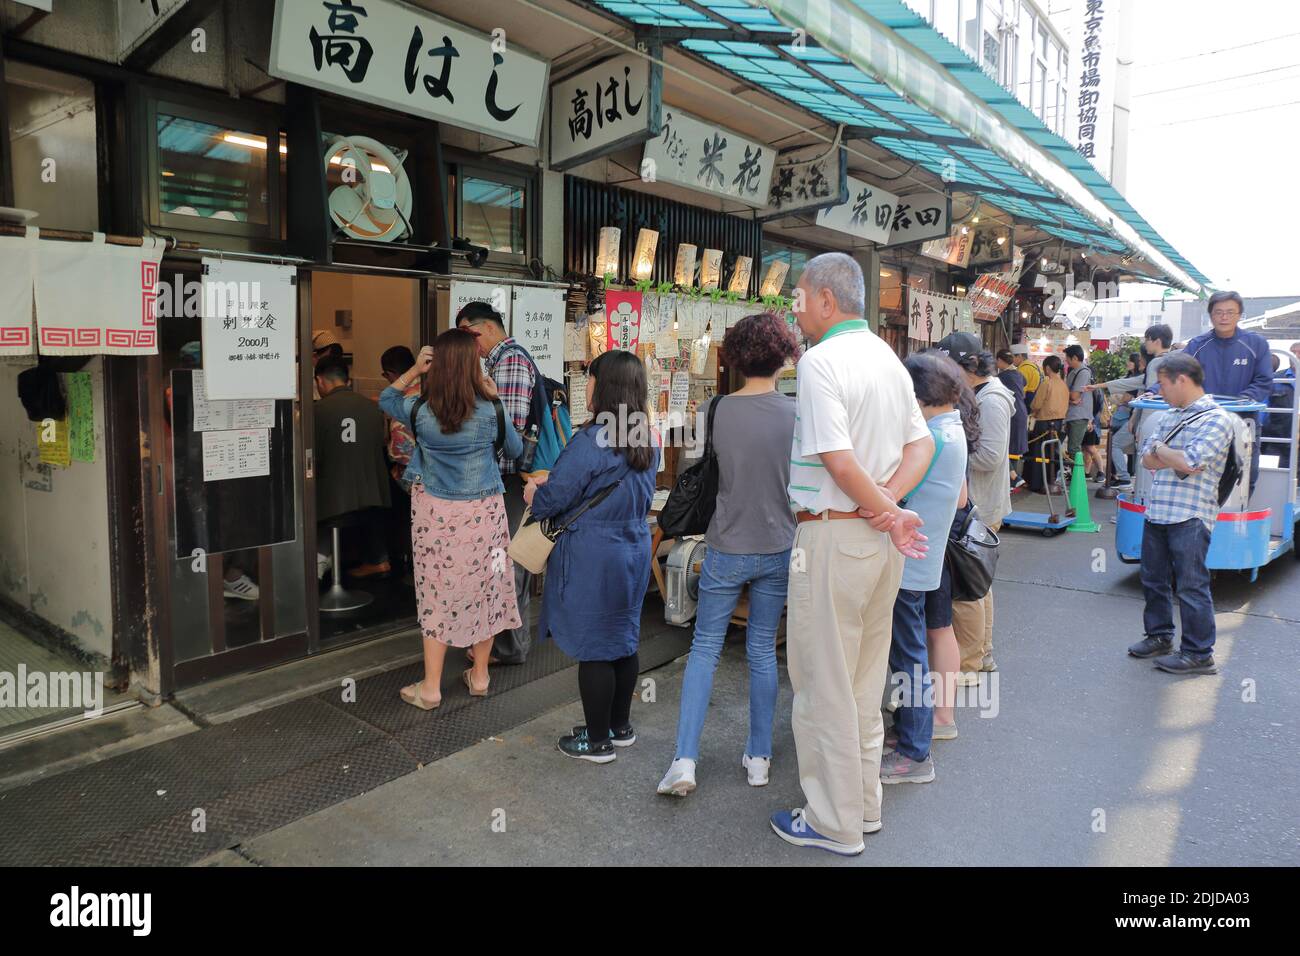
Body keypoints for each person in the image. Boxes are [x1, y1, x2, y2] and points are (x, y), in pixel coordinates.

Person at [768, 252, 932, 857]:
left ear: (826, 301)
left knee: (823, 684)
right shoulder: (886, 358)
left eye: (800, 297)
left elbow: (837, 459)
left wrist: (881, 508)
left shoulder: (820, 362)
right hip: (879, 543)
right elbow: (922, 444)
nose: (796, 307)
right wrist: (889, 505)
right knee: (863, 683)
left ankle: (832, 822)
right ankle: (862, 808)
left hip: (834, 536)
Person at [657, 312, 801, 797]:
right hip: (780, 545)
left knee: (704, 650)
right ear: (783, 357)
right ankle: (759, 758)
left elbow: (703, 473)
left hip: (725, 545)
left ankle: (684, 761)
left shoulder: (715, 411)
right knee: (762, 651)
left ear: (736, 358)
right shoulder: (797, 413)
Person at [525, 350, 659, 763]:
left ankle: (596, 741)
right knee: (622, 638)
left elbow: (556, 497)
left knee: (594, 646)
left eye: (591, 378)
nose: (587, 385)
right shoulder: (645, 436)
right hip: (634, 546)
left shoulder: (590, 439)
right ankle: (619, 727)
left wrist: (535, 493)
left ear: (606, 386)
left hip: (593, 553)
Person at [379, 331, 523, 709]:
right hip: (486, 516)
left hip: (436, 518)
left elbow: (385, 398)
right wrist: (497, 401)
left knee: (436, 593)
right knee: (488, 585)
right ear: (472, 365)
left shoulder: (419, 411)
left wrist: (412, 370)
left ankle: (430, 688)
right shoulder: (490, 410)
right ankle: (479, 676)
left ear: (436, 364)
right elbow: (516, 450)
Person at [881, 351, 971, 785]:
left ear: (917, 396)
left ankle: (915, 754)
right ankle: (909, 734)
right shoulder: (951, 429)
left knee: (908, 655)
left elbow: (892, 493)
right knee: (909, 651)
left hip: (910, 560)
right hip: (924, 557)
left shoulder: (931, 439)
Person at [1128, 354, 1234, 675]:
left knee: (1191, 585)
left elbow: (1190, 462)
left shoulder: (1217, 419)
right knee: (1154, 580)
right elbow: (1146, 460)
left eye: (1162, 384)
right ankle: (1159, 635)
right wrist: (1164, 454)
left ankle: (1199, 653)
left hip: (1191, 514)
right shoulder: (1170, 414)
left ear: (1182, 380)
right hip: (1159, 510)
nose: (1160, 392)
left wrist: (1161, 450)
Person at [458, 301, 538, 665]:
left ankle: (510, 647)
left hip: (509, 479)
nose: (469, 345)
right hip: (504, 480)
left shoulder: (511, 361)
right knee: (501, 562)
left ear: (486, 328)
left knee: (509, 563)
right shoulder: (499, 362)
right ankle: (502, 644)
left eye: (468, 335)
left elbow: (512, 430)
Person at [937, 334, 1012, 684]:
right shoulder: (979, 394)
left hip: (980, 503)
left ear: (967, 366)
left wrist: (945, 448)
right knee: (978, 582)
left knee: (968, 589)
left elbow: (991, 457)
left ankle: (969, 662)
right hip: (975, 504)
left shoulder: (992, 400)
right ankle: (982, 653)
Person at [1183, 291, 1274, 491]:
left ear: (1240, 315)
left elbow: (1264, 379)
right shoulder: (1197, 345)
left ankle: (1236, 519)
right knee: (1201, 470)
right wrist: (1154, 390)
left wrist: (1245, 399)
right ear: (1211, 315)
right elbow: (1178, 372)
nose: (1224, 317)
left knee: (1246, 475)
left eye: (1230, 312)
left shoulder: (1255, 343)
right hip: (1204, 421)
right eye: (1218, 312)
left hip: (1243, 419)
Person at [314, 356, 391, 578]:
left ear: (320, 380)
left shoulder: (318, 410)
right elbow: (383, 441)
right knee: (368, 510)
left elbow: (313, 455)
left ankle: (320, 562)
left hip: (336, 499)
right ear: (347, 380)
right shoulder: (371, 407)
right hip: (375, 494)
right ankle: (379, 560)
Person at [380, 345, 419, 580]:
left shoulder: (402, 401)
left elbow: (399, 452)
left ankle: (402, 562)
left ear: (392, 374)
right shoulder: (434, 390)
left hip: (414, 481)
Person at [1029, 355, 1069, 493]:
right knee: (1052, 453)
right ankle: (1050, 481)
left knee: (1039, 453)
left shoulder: (1047, 383)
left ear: (1047, 368)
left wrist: (1033, 410)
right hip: (1059, 423)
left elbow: (1036, 404)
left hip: (1044, 422)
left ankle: (1037, 483)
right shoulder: (1064, 384)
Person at [996, 350, 1029, 489]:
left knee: (1005, 445)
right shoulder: (1019, 374)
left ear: (1001, 361)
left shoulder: (1002, 376)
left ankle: (1012, 478)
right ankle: (1013, 480)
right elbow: (1025, 382)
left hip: (1011, 412)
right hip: (1021, 411)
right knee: (1014, 447)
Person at [1063, 344, 1094, 472]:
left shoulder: (1083, 372)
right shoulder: (1072, 373)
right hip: (1071, 414)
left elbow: (1075, 395)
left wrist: (1068, 396)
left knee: (1074, 448)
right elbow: (1070, 395)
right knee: (1072, 448)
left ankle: (1078, 476)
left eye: (1067, 358)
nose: (1066, 361)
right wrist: (1070, 397)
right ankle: (1074, 474)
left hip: (1079, 415)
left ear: (1075, 358)